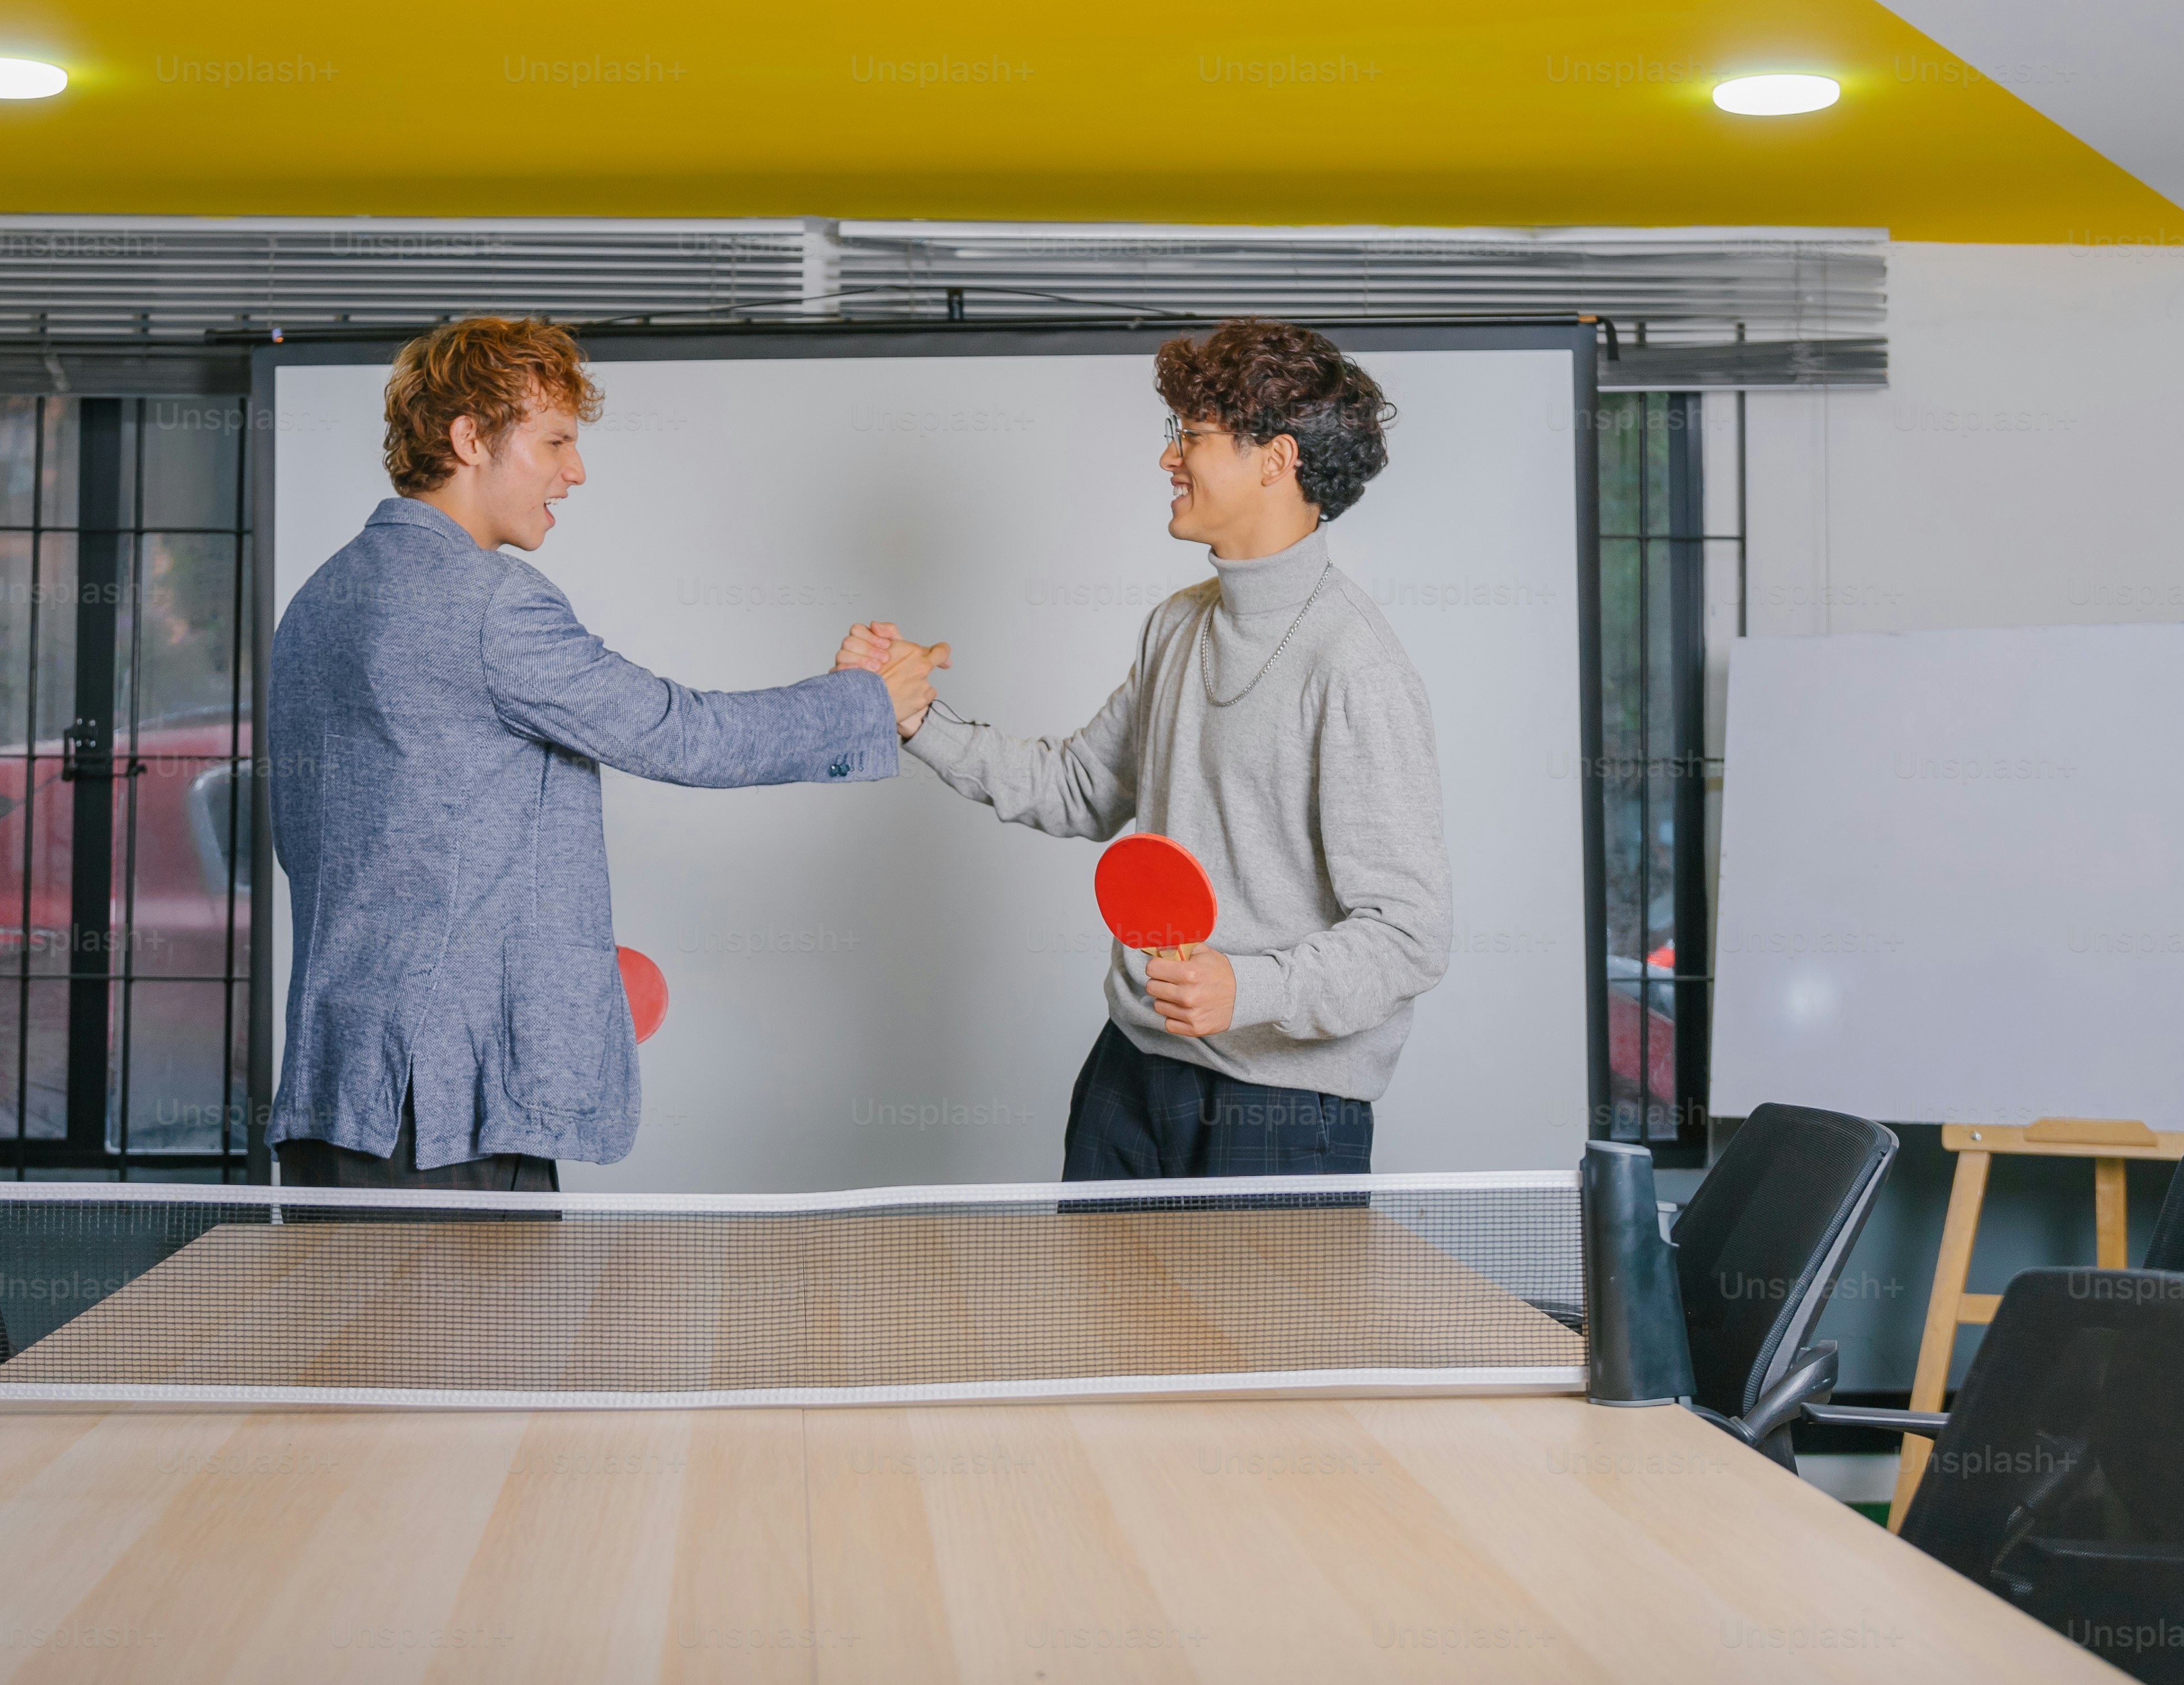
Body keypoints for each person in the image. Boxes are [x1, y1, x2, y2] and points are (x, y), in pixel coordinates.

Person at [270, 316, 946, 1190]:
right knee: (488, 1337)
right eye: (554, 441)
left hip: (336, 1099)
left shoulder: (316, 601)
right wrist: (866, 703)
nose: (575, 470)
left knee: (349, 1334)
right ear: (470, 438)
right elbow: (678, 733)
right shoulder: (489, 607)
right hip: (448, 1118)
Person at [842, 320, 1448, 1178]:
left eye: (1190, 437)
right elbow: (1081, 786)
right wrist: (913, 719)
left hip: (1279, 1106)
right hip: (1133, 1070)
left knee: (1250, 1326)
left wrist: (1250, 987)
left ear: (1275, 460)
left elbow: (1410, 935)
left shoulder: (1356, 668)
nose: (1169, 459)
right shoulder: (1178, 624)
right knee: (1098, 1320)